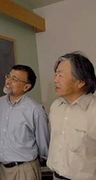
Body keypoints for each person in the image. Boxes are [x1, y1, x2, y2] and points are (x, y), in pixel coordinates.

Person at [0, 64, 50, 180]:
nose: (8, 81)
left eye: (14, 79)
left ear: (26, 87)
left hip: (24, 170)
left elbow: (43, 143)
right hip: (3, 169)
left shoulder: (35, 109)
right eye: (8, 76)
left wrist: (42, 158)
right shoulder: (0, 102)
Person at [47, 51, 96, 180]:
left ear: (80, 82)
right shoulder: (55, 107)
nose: (55, 80)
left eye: (60, 75)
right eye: (55, 74)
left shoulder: (93, 111)